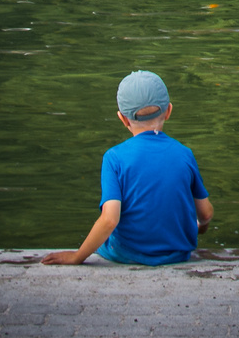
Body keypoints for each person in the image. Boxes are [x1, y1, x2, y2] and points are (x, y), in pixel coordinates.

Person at [42, 71, 212, 267]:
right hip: (177, 255)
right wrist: (201, 227)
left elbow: (109, 220)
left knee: (109, 241)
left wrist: (77, 257)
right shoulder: (185, 154)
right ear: (169, 111)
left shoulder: (114, 158)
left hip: (125, 254)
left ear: (123, 119)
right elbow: (205, 214)